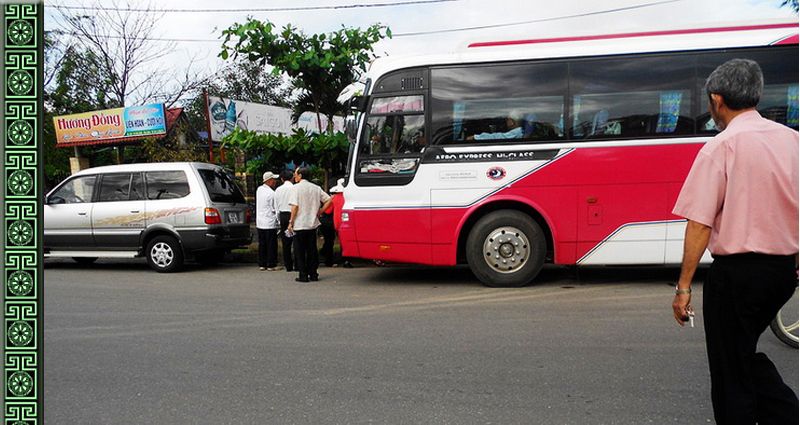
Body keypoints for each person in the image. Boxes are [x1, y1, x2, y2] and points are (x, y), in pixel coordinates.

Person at [671, 58, 798, 425]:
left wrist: (683, 289)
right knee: (740, 354)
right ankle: (785, 414)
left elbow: (699, 224)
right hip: (782, 273)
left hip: (737, 277)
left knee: (729, 371)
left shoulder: (721, 147)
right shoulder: (792, 140)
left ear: (717, 99)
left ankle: (785, 413)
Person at [287, 167, 332, 282]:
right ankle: (313, 273)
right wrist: (320, 211)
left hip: (300, 224)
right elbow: (328, 200)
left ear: (300, 175)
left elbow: (295, 206)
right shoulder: (316, 188)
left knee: (300, 250)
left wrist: (291, 222)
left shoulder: (295, 188)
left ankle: (303, 274)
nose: (294, 176)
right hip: (312, 223)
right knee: (312, 249)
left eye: (296, 174)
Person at [255, 171, 281, 271]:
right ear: (269, 181)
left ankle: (262, 263)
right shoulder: (272, 193)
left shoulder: (259, 190)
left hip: (260, 222)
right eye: (273, 180)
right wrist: (279, 221)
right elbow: (275, 209)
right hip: (269, 222)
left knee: (262, 244)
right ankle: (271, 264)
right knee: (271, 244)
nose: (275, 181)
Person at [273, 170, 295, 272]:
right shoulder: (294, 188)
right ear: (292, 178)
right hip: (293, 215)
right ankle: (298, 264)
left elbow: (276, 206)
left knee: (285, 241)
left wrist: (278, 218)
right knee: (296, 240)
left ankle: (288, 265)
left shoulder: (278, 190)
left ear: (282, 179)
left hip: (283, 215)